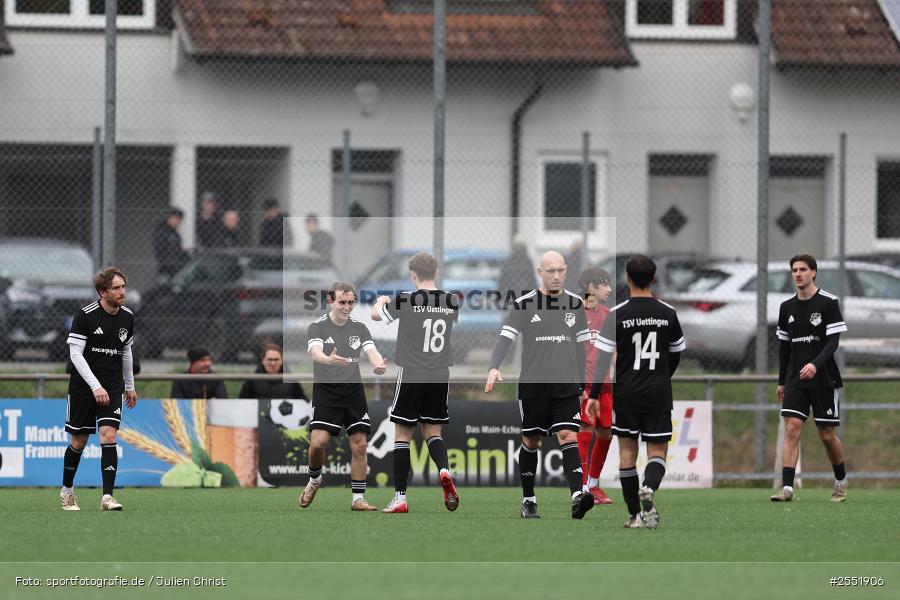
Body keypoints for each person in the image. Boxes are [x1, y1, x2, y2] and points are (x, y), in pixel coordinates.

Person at [485, 251, 595, 520]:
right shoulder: (524, 304)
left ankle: (577, 497)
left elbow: (582, 349)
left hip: (566, 386)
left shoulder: (575, 303)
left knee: (568, 436)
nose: (556, 276)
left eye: (560, 270)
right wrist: (493, 366)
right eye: (550, 271)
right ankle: (529, 500)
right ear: (540, 272)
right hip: (534, 386)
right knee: (530, 440)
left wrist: (583, 386)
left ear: (566, 270)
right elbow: (505, 339)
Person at [587, 255, 686, 529]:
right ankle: (650, 488)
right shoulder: (668, 313)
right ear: (653, 279)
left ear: (627, 279)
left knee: (627, 455)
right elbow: (677, 352)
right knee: (657, 453)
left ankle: (634, 516)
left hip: (626, 393)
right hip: (658, 392)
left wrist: (594, 395)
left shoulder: (616, 314)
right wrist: (663, 375)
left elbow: (603, 359)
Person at [371, 252, 461, 513]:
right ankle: (443, 470)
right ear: (436, 273)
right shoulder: (451, 300)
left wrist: (380, 301)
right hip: (440, 374)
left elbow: (378, 317)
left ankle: (400, 498)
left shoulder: (406, 300)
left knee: (402, 435)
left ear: (413, 275)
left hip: (412, 372)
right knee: (433, 432)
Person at [299, 283, 387, 512]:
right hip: (326, 391)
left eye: (351, 302)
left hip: (353, 392)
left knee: (360, 445)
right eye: (342, 302)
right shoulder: (317, 327)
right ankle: (315, 479)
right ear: (331, 301)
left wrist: (378, 364)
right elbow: (317, 353)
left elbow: (372, 351)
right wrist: (328, 359)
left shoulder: (359, 328)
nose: (347, 307)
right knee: (318, 443)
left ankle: (358, 498)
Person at [771, 254, 848, 503]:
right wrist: (782, 380)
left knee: (827, 435)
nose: (798, 274)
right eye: (794, 270)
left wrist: (815, 365)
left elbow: (833, 342)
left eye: (803, 269)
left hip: (824, 378)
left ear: (813, 272)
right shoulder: (786, 307)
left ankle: (840, 480)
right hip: (796, 380)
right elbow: (784, 349)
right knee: (792, 429)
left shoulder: (828, 303)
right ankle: (787, 488)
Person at [61, 267, 137, 512]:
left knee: (109, 435)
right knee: (79, 441)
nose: (122, 291)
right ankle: (67, 491)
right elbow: (75, 355)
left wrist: (130, 386)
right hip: (84, 386)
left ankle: (107, 498)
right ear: (103, 292)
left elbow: (126, 351)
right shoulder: (85, 315)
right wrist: (95, 386)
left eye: (123, 286)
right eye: (116, 288)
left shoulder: (128, 316)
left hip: (113, 385)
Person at [576, 266, 614, 505]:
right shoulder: (574, 312)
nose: (609, 289)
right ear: (591, 288)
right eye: (604, 284)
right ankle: (581, 488)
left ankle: (594, 484)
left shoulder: (609, 314)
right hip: (585, 384)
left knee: (606, 433)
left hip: (605, 385)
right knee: (585, 431)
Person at [238, 343, 306, 401]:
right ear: (263, 360)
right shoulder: (252, 380)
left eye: (276, 360)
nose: (273, 363)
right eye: (270, 360)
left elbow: (302, 400)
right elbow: (242, 402)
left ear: (281, 361)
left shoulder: (291, 380)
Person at [497, 233, 536, 303]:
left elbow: (502, 282)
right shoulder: (526, 262)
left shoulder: (509, 261)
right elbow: (532, 282)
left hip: (512, 296)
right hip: (519, 296)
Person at [153, 207, 189, 278]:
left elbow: (176, 250)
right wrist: (167, 263)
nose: (178, 221)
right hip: (166, 269)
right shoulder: (162, 231)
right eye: (176, 218)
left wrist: (184, 252)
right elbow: (160, 250)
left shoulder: (175, 234)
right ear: (169, 217)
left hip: (176, 267)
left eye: (180, 219)